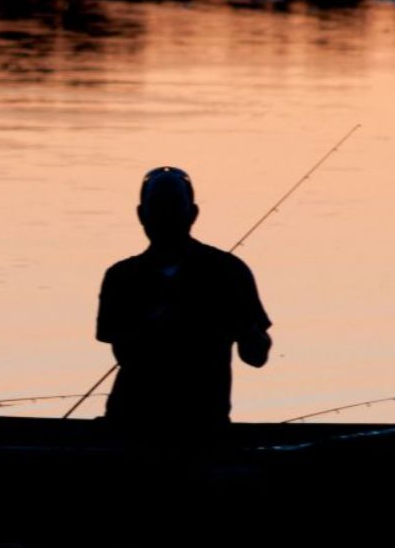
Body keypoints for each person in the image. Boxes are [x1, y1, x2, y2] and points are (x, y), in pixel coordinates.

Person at [96, 166, 271, 429]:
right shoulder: (121, 277)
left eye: (174, 206)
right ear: (141, 215)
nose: (165, 216)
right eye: (157, 207)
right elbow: (125, 353)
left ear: (193, 213)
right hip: (130, 421)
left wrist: (243, 327)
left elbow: (256, 357)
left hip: (204, 422)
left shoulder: (230, 271)